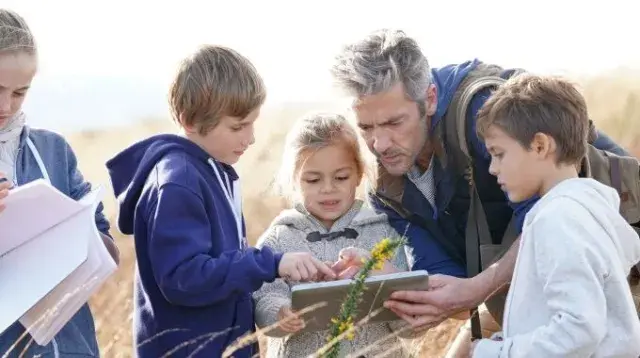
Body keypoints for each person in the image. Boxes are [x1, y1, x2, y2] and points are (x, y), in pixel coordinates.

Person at [328, 28, 633, 352]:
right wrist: (388, 278)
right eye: (366, 127)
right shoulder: (383, 183)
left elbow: (550, 222)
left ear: (429, 99)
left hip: (606, 282)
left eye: (393, 123)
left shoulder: (488, 117)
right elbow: (455, 292)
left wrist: (477, 294)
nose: (379, 144)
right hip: (526, 298)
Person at [105, 45, 336, 358]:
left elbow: (223, 267)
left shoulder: (214, 171)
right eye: (238, 126)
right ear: (190, 120)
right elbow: (184, 278)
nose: (250, 138)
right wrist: (272, 263)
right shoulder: (177, 182)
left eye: (253, 123)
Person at [470, 74, 640, 357]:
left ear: (539, 146)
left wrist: (494, 353)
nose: (493, 169)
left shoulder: (559, 220)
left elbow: (579, 329)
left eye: (499, 154)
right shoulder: (585, 209)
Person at [253, 112, 437, 357]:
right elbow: (265, 295)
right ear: (294, 181)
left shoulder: (383, 232)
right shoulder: (280, 237)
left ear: (359, 174)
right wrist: (280, 313)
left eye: (341, 177)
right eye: (313, 180)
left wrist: (387, 285)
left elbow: (408, 323)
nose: (328, 188)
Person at [0, 8, 120, 357]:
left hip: (71, 348)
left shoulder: (53, 150)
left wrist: (71, 234)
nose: (5, 105)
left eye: (20, 92)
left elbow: (107, 245)